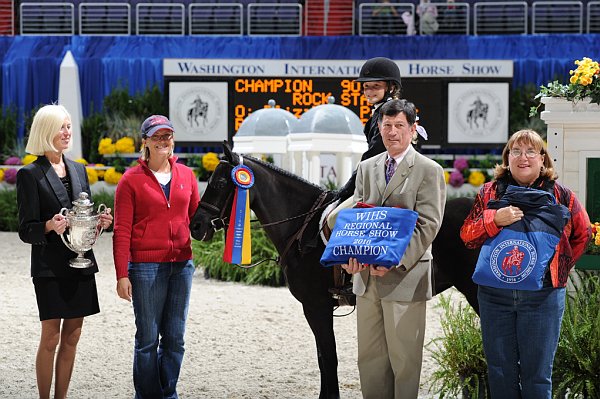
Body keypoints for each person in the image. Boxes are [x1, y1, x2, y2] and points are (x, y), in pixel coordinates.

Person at [460, 129, 590, 398]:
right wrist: (494, 220)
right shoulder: (489, 192)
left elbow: (584, 232)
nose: (523, 157)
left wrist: (559, 267)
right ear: (507, 159)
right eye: (516, 151)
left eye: (531, 151)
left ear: (543, 159)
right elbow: (467, 236)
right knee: (499, 372)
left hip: (543, 297)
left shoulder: (562, 195)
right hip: (495, 297)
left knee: (538, 376)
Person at [341, 99, 446, 399]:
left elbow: (428, 224)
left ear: (413, 130)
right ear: (379, 127)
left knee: (405, 362)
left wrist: (395, 260)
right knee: (370, 361)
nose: (392, 132)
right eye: (387, 125)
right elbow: (357, 219)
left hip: (405, 277)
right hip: (366, 280)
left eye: (400, 125)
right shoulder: (366, 167)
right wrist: (351, 255)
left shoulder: (428, 170)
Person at [16, 104, 113, 399]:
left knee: (73, 336)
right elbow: (25, 230)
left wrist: (100, 224)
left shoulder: (80, 169)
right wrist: (48, 225)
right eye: (61, 127)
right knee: (51, 338)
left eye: (69, 126)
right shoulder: (29, 175)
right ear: (46, 131)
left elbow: (83, 223)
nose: (67, 132)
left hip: (81, 263)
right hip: (49, 267)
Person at [112, 115, 200, 399]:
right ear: (145, 142)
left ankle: (167, 393)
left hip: (182, 266)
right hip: (146, 267)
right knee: (148, 339)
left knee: (175, 339)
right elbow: (121, 230)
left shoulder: (187, 176)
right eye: (157, 136)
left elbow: (196, 220)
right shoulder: (130, 180)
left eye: (167, 136)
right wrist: (122, 274)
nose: (163, 141)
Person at [335, 56, 402, 202]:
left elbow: (374, 154)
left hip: (389, 180)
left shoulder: (390, 112)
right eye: (366, 87)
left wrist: (348, 187)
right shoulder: (381, 111)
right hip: (380, 176)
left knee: (334, 217)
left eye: (376, 86)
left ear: (391, 87)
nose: (369, 91)